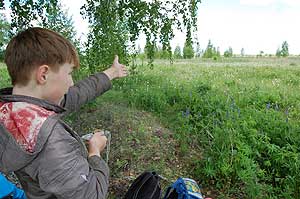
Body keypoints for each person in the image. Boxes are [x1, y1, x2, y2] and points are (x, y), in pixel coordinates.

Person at [0, 27, 127, 198]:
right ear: (43, 74)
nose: (71, 82)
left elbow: (74, 94)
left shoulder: (13, 109)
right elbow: (92, 195)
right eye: (69, 73)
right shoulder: (52, 143)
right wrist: (95, 152)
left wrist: (111, 73)